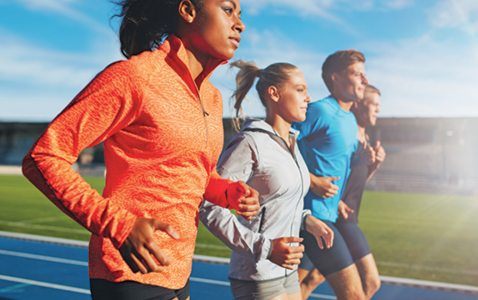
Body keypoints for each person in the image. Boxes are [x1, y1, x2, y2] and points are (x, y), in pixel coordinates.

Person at [22, 1, 261, 299]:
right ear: (187, 10)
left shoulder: (212, 97)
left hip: (178, 269)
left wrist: (225, 192)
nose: (240, 24)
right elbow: (42, 157)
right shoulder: (134, 77)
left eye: (240, 13)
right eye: (228, 9)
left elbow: (190, 172)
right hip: (128, 273)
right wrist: (119, 226)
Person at [199, 60, 334, 300]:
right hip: (257, 272)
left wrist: (306, 219)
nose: (309, 98)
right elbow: (209, 206)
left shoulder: (292, 141)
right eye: (300, 89)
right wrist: (266, 248)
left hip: (288, 269)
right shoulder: (249, 142)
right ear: (274, 93)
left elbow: (277, 199)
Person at [292, 49, 374, 300]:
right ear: (335, 77)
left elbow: (336, 167)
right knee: (355, 296)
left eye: (364, 73)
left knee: (294, 293)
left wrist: (337, 198)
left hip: (327, 216)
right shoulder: (319, 111)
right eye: (357, 73)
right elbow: (277, 144)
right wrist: (312, 180)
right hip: (306, 220)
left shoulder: (349, 120)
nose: (365, 80)